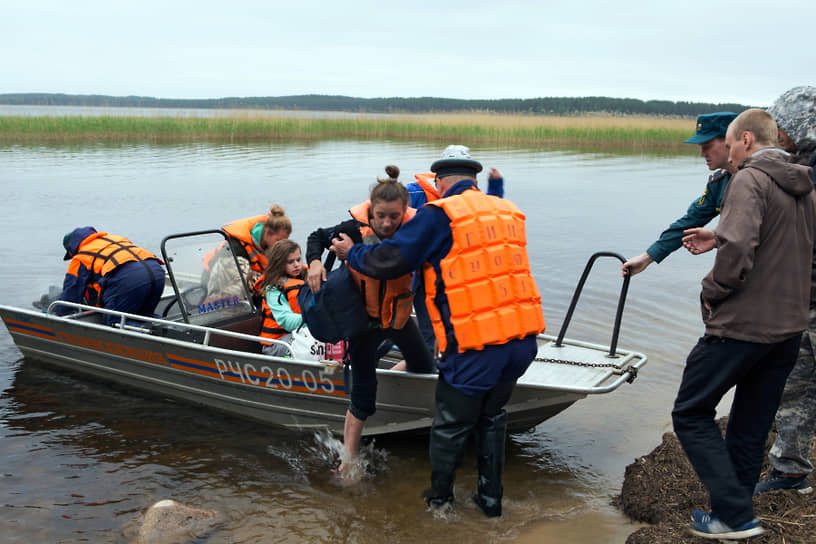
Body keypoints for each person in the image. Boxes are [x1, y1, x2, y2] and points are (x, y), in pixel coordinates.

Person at [332, 145, 545, 517]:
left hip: (475, 347)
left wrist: (352, 253)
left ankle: (439, 507)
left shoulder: (440, 214)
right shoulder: (505, 209)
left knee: (450, 426)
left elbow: (389, 260)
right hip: (522, 341)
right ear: (474, 179)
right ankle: (490, 502)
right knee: (492, 419)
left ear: (439, 181)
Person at [672, 109, 816, 539]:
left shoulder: (749, 179)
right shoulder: (806, 186)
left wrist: (711, 292)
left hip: (741, 328)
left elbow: (736, 253)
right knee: (751, 422)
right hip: (788, 328)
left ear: (747, 140)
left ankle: (736, 514)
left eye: (731, 143)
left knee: (691, 412)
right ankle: (730, 516)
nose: (730, 153)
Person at [306, 165, 434, 478]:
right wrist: (312, 263)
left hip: (398, 318)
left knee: (425, 366)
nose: (388, 222)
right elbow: (317, 237)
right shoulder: (353, 228)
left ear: (405, 210)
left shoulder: (415, 230)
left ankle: (388, 376)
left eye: (394, 216)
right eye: (381, 216)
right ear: (371, 212)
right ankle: (348, 460)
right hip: (362, 323)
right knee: (362, 397)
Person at [753, 86, 816, 496]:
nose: (777, 131)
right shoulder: (794, 168)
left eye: (783, 123)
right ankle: (790, 473)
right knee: (795, 386)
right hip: (802, 301)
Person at [621, 112, 738, 276]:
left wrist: (717, 237)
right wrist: (647, 258)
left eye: (707, 146)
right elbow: (689, 222)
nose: (702, 153)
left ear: (730, 140)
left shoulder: (762, 179)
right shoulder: (718, 183)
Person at [406, 168, 506, 355]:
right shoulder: (416, 192)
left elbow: (485, 218)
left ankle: (427, 358)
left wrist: (495, 190)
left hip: (431, 274)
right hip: (418, 271)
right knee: (404, 320)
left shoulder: (452, 204)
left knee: (428, 323)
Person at [57, 226, 166, 326]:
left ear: (71, 250)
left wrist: (56, 313)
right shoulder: (115, 239)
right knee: (144, 317)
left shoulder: (81, 256)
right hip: (157, 272)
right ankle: (171, 333)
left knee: (116, 322)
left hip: (129, 279)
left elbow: (71, 294)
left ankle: (143, 345)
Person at [205, 204, 292, 297]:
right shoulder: (236, 246)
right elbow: (232, 280)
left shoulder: (271, 246)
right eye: (278, 240)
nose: (280, 245)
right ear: (267, 232)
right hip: (215, 283)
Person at [255, 239, 307, 357]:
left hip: (301, 333)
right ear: (279, 264)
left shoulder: (307, 280)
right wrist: (312, 319)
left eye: (298, 260)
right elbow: (285, 320)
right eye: (290, 262)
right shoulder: (273, 290)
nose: (296, 265)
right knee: (310, 346)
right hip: (277, 343)